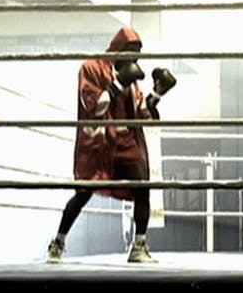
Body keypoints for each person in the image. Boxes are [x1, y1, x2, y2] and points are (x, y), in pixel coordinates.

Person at [45, 27, 176, 264]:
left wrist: (157, 93)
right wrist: (119, 82)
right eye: (130, 50)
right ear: (118, 48)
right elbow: (94, 107)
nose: (134, 57)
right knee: (84, 192)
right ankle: (58, 242)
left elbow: (141, 113)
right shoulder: (91, 68)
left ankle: (139, 246)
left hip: (126, 140)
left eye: (137, 52)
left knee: (142, 188)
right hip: (99, 141)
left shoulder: (132, 79)